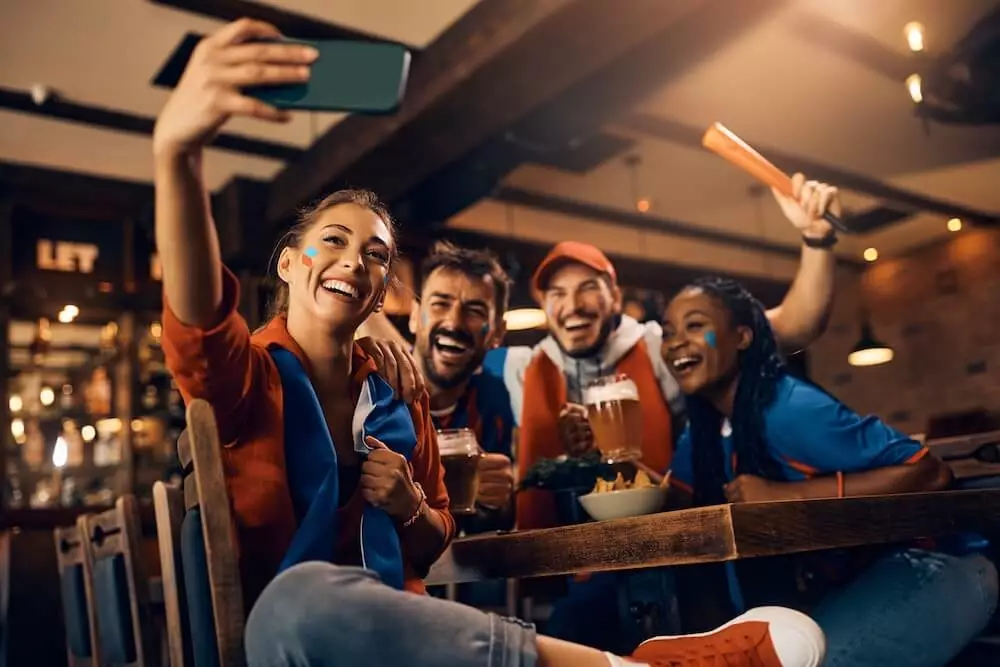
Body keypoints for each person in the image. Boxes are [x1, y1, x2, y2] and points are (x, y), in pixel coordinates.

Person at [154, 18, 829, 667]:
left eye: (377, 256)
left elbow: (436, 536)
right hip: (288, 640)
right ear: (290, 263)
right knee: (294, 601)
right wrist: (178, 154)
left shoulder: (404, 392)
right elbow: (200, 322)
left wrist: (409, 503)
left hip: (404, 639)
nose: (356, 262)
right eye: (334, 241)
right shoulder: (250, 375)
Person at [660, 275, 999, 667]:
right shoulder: (702, 433)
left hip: (934, 571)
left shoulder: (788, 408)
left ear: (742, 337)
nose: (676, 342)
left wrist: (783, 494)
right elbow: (674, 506)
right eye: (668, 332)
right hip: (845, 590)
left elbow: (928, 472)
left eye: (695, 325)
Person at [491, 176, 841, 531]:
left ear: (614, 295)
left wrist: (817, 238)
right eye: (557, 294)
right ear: (544, 305)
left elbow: (795, 327)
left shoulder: (662, 346)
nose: (572, 306)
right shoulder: (522, 369)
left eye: (588, 289)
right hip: (564, 563)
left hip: (671, 542)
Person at [361, 241, 517, 533]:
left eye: (475, 310)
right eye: (440, 304)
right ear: (414, 316)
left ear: (497, 333)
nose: (453, 322)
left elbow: (485, 524)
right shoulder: (372, 389)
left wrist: (499, 502)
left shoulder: (492, 398)